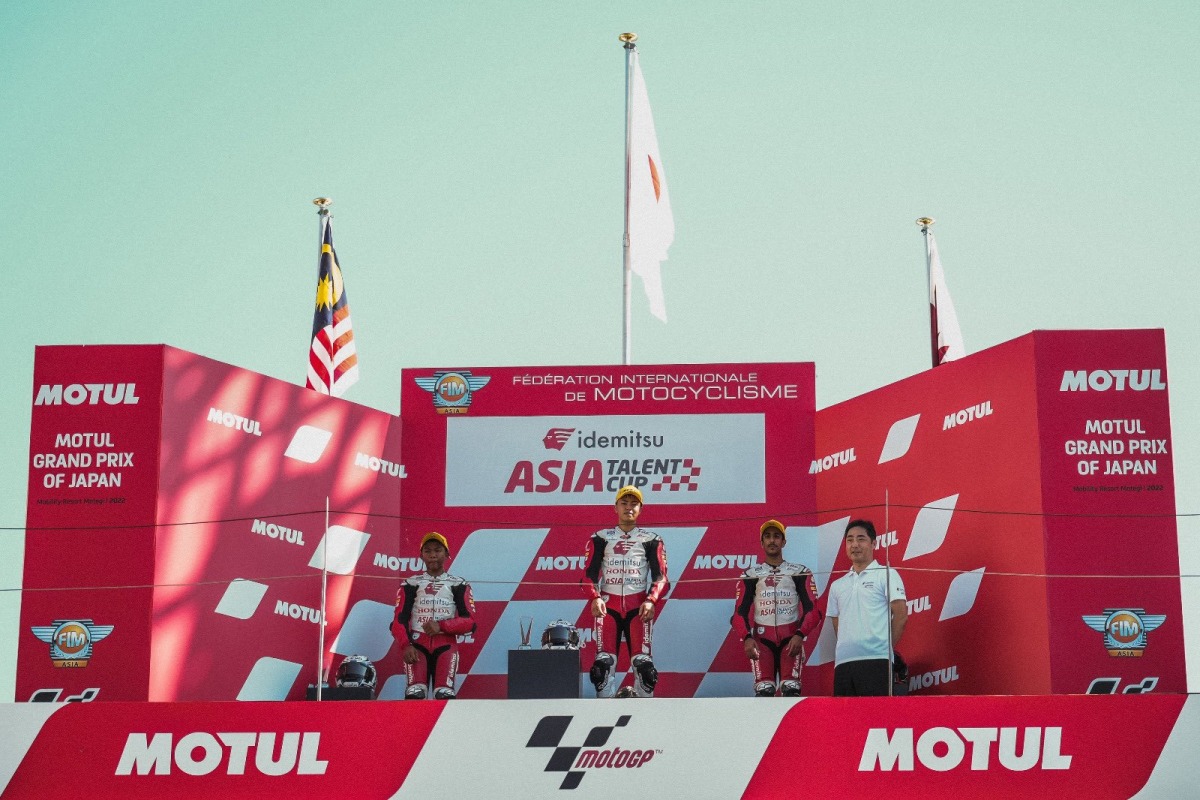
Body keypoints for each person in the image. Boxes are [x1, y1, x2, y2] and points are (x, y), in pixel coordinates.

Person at [582, 485, 669, 698]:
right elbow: (588, 575)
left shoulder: (651, 539)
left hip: (639, 607)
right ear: (615, 507)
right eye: (624, 503)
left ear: (640, 508)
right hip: (607, 607)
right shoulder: (600, 537)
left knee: (645, 670)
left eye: (634, 504)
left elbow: (661, 578)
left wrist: (651, 600)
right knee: (602, 667)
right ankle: (605, 716)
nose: (629, 508)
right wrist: (594, 597)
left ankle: (642, 716)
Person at [733, 519, 823, 697]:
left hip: (791, 640)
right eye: (767, 536)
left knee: (791, 689)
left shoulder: (798, 571)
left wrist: (800, 634)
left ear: (784, 542)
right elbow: (739, 612)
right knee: (764, 691)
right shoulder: (750, 574)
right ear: (762, 543)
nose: (772, 540)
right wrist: (746, 638)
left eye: (776, 536)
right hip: (761, 641)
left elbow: (813, 609)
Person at [391, 532, 476, 699]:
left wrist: (442, 626)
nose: (433, 555)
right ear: (421, 556)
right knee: (415, 693)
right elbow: (399, 620)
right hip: (417, 646)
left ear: (447, 554)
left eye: (437, 550)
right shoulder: (411, 583)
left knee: (444, 694)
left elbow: (470, 623)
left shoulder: (458, 583)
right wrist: (406, 645)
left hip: (446, 645)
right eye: (427, 551)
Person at [827, 519, 907, 697]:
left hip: (877, 661)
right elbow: (837, 624)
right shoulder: (837, 585)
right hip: (843, 663)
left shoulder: (886, 574)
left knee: (876, 720)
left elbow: (901, 616)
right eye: (849, 540)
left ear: (873, 543)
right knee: (846, 721)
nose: (854, 544)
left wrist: (884, 648)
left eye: (861, 538)